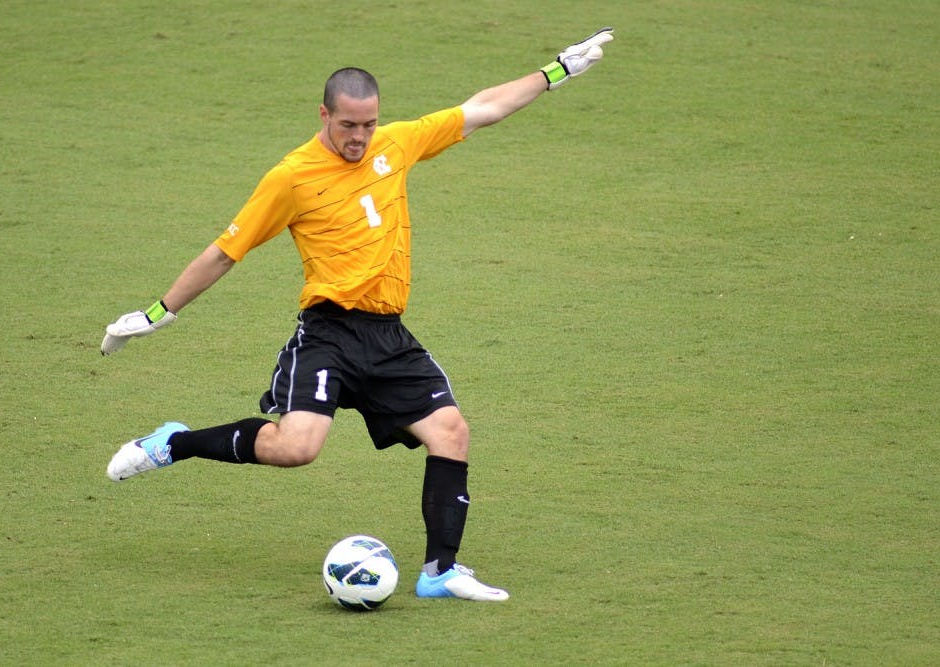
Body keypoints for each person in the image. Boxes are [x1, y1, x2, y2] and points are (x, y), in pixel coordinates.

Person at [101, 28, 613, 602]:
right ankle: (176, 443)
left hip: (389, 335)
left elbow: (482, 109)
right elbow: (225, 251)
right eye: (348, 125)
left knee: (451, 432)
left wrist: (556, 71)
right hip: (329, 333)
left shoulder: (395, 144)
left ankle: (439, 572)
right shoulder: (291, 177)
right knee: (297, 448)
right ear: (324, 114)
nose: (360, 137)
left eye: (368, 125)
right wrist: (157, 312)